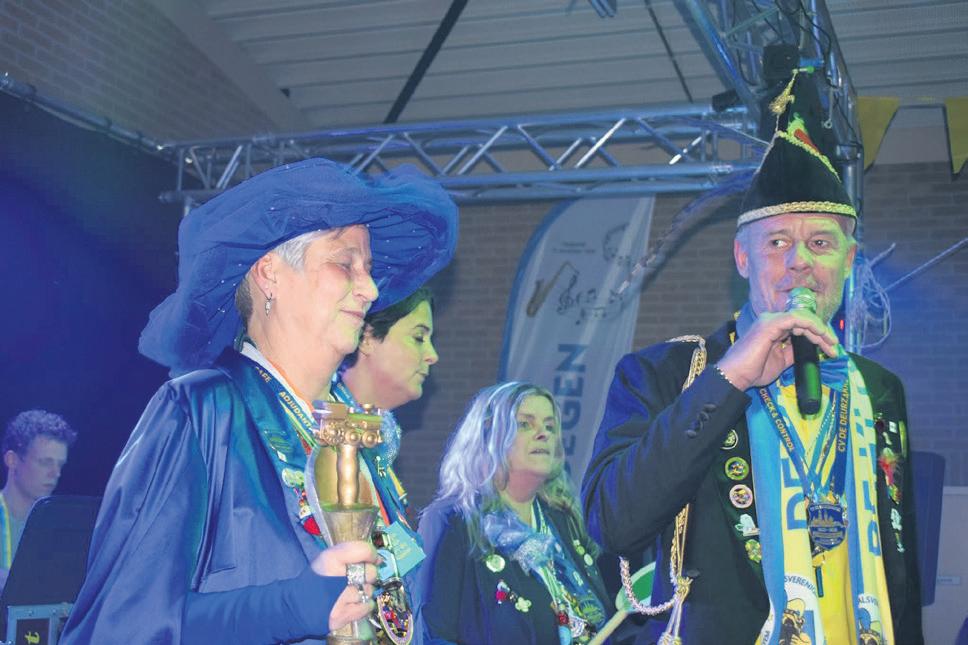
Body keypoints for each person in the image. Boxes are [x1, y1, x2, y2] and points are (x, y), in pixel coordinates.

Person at [581, 70, 923, 645]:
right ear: (743, 258)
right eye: (777, 242)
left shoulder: (877, 389)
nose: (799, 262)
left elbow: (901, 573)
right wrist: (730, 378)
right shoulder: (664, 374)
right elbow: (613, 523)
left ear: (848, 261)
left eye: (820, 242)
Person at [60, 158, 458, 644]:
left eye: (369, 270)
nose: (371, 289)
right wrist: (287, 607)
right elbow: (120, 626)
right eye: (345, 264)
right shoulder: (201, 413)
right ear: (270, 273)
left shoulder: (353, 433)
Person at [417, 382, 610, 645]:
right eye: (525, 424)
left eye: (550, 426)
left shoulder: (565, 519)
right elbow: (433, 636)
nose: (543, 434)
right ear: (488, 436)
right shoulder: (451, 521)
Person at [0, 409, 76, 589]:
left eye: (60, 464)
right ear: (12, 460)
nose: (55, 473)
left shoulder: (61, 527)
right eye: (45, 462)